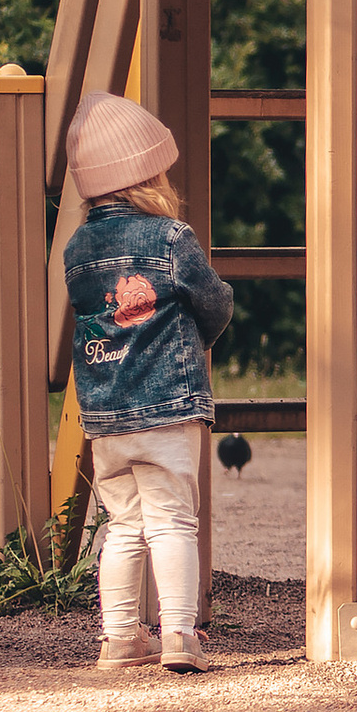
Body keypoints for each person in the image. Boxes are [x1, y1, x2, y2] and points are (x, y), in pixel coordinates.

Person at [61, 91, 233, 672]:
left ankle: (118, 639)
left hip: (106, 412)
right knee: (172, 518)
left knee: (123, 522)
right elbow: (212, 302)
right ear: (146, 177)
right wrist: (201, 337)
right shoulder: (170, 237)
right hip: (167, 404)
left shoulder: (77, 248)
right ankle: (180, 634)